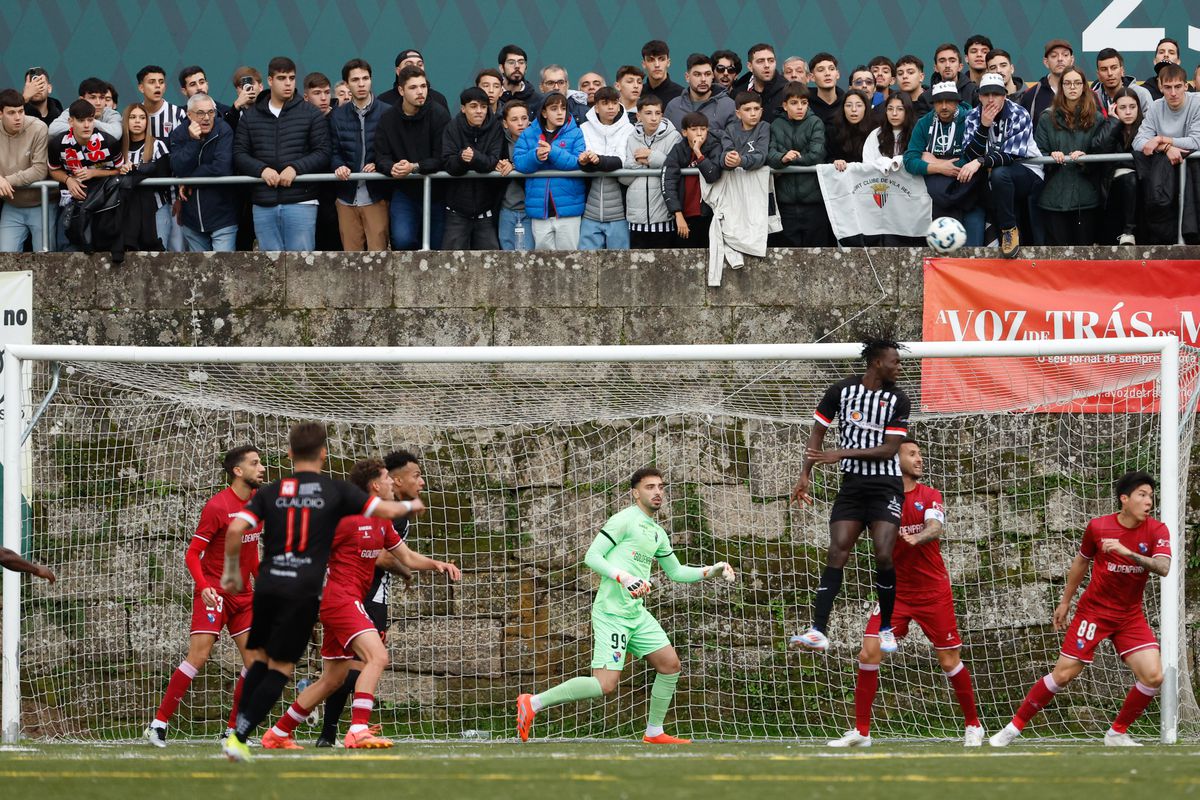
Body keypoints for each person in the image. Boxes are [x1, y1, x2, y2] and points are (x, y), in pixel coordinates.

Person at [216, 422, 425, 762]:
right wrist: (410, 505)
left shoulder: (271, 492)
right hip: (309, 591)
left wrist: (230, 573)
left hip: (271, 587)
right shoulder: (336, 492)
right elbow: (383, 511)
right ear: (324, 454)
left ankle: (260, 733)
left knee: (271, 667)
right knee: (299, 667)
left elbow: (237, 527)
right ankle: (349, 729)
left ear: (289, 454)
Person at [516, 467, 734, 745]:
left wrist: (711, 571)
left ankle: (654, 732)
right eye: (650, 487)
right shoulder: (624, 520)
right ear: (635, 493)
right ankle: (533, 702)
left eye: (660, 487)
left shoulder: (657, 533)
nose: (657, 492)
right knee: (605, 684)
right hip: (612, 612)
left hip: (636, 613)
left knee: (670, 665)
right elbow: (592, 557)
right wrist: (625, 576)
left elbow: (677, 572)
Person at [263, 457, 460, 750]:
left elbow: (405, 557)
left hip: (345, 602)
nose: (393, 483)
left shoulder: (381, 520)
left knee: (332, 679)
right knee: (377, 657)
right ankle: (357, 730)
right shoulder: (346, 519)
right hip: (340, 600)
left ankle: (278, 733)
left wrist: (437, 564)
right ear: (374, 485)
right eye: (387, 478)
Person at [991, 472, 1170, 748]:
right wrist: (1064, 602)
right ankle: (1013, 728)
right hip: (1094, 614)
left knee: (1154, 675)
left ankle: (1116, 733)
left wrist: (1125, 552)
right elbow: (1081, 562)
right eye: (1142, 495)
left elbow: (1163, 568)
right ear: (1124, 499)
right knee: (1062, 675)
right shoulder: (1098, 527)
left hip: (1129, 616)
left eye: (1150, 495)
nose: (1149, 501)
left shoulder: (1158, 530)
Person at [827, 438, 983, 749]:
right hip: (894, 593)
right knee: (868, 653)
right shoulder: (879, 499)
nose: (919, 459)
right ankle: (862, 732)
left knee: (949, 660)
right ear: (893, 460)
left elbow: (936, 526)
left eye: (919, 454)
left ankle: (973, 725)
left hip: (932, 591)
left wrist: (918, 538)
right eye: (912, 453)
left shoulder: (929, 495)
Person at [790, 339, 911, 654]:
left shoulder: (899, 400)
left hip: (886, 487)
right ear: (876, 363)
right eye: (895, 361)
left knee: (883, 553)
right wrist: (806, 473)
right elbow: (818, 432)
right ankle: (818, 630)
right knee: (836, 552)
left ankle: (886, 627)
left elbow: (888, 449)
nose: (899, 366)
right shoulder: (841, 391)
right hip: (853, 486)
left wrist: (841, 452)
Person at [314, 450, 442, 746]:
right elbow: (383, 557)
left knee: (349, 667)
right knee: (361, 664)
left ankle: (329, 730)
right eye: (416, 476)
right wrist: (406, 571)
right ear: (393, 481)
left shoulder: (394, 512)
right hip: (364, 596)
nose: (421, 482)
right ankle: (344, 728)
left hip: (362, 595)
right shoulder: (382, 512)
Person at [144, 446, 265, 747]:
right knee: (198, 657)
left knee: (254, 662)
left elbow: (251, 555)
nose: (262, 467)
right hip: (215, 593)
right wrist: (203, 587)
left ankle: (233, 731)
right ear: (238, 471)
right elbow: (193, 553)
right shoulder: (217, 506)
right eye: (255, 463)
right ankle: (158, 725)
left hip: (244, 597)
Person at [233, 56, 331, 251]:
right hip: (263, 201)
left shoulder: (310, 113)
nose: (288, 83)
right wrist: (262, 170)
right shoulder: (251, 116)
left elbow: (323, 152)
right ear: (270, 81)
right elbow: (239, 154)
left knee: (302, 266)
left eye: (292, 78)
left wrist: (296, 168)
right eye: (282, 78)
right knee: (270, 267)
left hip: (302, 200)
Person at [963, 72, 1045, 258]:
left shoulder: (1019, 113)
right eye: (986, 94)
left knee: (1001, 173)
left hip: (1027, 171)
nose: (991, 99)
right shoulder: (972, 116)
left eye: (996, 94)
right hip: (993, 173)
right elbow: (970, 154)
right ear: (980, 96)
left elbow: (1010, 155)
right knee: (979, 178)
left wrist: (980, 161)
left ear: (1005, 95)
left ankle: (1008, 230)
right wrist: (984, 127)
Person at [374, 65, 451, 251]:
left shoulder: (439, 114)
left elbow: (443, 157)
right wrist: (391, 167)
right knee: (402, 241)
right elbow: (380, 155)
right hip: (404, 192)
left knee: (437, 249)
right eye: (413, 87)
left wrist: (415, 167)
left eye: (423, 86)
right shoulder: (388, 118)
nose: (420, 92)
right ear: (401, 90)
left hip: (436, 193)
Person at [903, 82, 984, 246]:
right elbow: (910, 160)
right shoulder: (924, 123)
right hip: (939, 199)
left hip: (969, 192)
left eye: (949, 101)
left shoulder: (970, 118)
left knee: (973, 251)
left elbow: (975, 156)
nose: (944, 106)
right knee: (946, 251)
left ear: (957, 102)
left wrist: (935, 161)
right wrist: (940, 168)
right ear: (933, 104)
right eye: (939, 102)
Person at [1034, 65, 1104, 245]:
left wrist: (1086, 157)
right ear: (1061, 87)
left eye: (1077, 83)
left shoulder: (1097, 119)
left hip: (1086, 198)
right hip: (1053, 198)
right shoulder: (1046, 118)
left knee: (1084, 256)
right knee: (1057, 258)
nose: (1072, 87)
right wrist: (1051, 156)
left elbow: (1102, 156)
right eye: (1067, 83)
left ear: (1084, 87)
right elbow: (1037, 153)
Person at [47, 99, 124, 254]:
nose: (87, 125)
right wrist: (68, 180)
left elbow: (120, 170)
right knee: (66, 247)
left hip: (103, 201)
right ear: (71, 122)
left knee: (101, 247)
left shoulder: (109, 142)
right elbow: (53, 170)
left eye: (90, 120)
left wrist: (94, 172)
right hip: (71, 200)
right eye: (81, 121)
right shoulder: (57, 144)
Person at [329, 59, 390, 252]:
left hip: (376, 196)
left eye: (365, 78)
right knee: (350, 260)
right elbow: (332, 150)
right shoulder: (337, 115)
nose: (361, 84)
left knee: (378, 257)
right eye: (355, 80)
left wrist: (379, 164)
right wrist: (337, 164)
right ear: (346, 84)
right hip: (346, 197)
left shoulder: (387, 112)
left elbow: (393, 151)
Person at [513, 92, 586, 250]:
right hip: (539, 209)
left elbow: (578, 161)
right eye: (554, 108)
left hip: (569, 209)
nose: (560, 112)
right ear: (544, 112)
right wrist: (536, 156)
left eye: (563, 108)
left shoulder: (576, 132)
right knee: (543, 262)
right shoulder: (528, 133)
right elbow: (518, 162)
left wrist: (552, 151)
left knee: (571, 261)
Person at [170, 93, 238, 252]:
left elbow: (221, 168)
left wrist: (189, 180)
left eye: (211, 112)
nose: (207, 118)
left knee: (223, 271)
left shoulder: (223, 129)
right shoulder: (180, 132)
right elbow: (177, 167)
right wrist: (193, 141)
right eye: (200, 113)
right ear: (189, 114)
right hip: (191, 219)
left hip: (223, 217)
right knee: (201, 271)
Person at [767, 82, 831, 247]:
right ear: (785, 105)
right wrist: (782, 158)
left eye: (804, 103)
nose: (800, 107)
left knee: (817, 255)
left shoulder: (815, 122)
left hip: (814, 203)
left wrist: (790, 160)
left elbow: (817, 155)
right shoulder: (775, 125)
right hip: (785, 205)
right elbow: (770, 155)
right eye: (794, 103)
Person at [441, 87, 504, 250]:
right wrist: (462, 158)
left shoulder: (496, 128)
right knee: (451, 264)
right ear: (463, 108)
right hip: (456, 210)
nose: (479, 111)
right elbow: (448, 164)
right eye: (473, 106)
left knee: (492, 263)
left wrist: (474, 157)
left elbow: (492, 162)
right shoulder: (452, 127)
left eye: (483, 107)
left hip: (486, 210)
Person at [136, 65, 187, 252]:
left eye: (161, 82)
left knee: (176, 251)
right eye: (151, 82)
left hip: (174, 197)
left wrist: (181, 194)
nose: (157, 86)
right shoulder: (134, 116)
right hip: (142, 197)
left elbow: (186, 154)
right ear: (141, 87)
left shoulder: (178, 114)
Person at [578, 86, 634, 250]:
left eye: (615, 103)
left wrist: (596, 159)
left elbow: (621, 161)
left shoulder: (629, 128)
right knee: (585, 263)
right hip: (589, 211)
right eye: (605, 103)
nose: (611, 107)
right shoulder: (584, 128)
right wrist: (590, 161)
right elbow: (584, 163)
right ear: (596, 106)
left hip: (620, 212)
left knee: (620, 265)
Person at [621, 94, 681, 248]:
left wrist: (650, 156)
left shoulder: (673, 136)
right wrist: (642, 163)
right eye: (648, 113)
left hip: (663, 217)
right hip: (636, 220)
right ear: (638, 116)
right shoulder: (631, 138)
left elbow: (674, 166)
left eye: (657, 113)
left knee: (664, 267)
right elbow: (625, 176)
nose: (653, 118)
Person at [1091, 87, 1144, 245]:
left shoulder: (1146, 127)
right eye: (1122, 107)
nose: (1128, 112)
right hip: (1111, 193)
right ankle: (1126, 232)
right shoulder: (1109, 125)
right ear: (1114, 108)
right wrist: (1113, 121)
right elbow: (1098, 149)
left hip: (1142, 192)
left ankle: (1130, 232)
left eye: (1132, 107)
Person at [662, 111, 722, 248]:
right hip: (684, 215)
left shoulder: (714, 147)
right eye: (694, 129)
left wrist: (698, 152)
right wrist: (678, 214)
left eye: (703, 129)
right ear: (684, 132)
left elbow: (712, 175)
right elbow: (668, 181)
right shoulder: (678, 149)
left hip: (710, 214)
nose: (699, 133)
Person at [0, 88, 49, 252]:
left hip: (42, 203)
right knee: (6, 259)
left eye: (21, 111)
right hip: (12, 204)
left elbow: (40, 169)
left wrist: (6, 180)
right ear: (0, 114)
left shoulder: (38, 128)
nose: (18, 117)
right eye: (11, 113)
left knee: (45, 257)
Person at [118, 102, 171, 251]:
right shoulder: (118, 148)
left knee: (158, 257)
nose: (137, 121)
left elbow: (164, 179)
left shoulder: (157, 145)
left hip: (157, 207)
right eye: (133, 117)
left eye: (142, 118)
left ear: (147, 121)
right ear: (126, 121)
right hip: (126, 208)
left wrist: (138, 169)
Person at [664, 53, 736, 134]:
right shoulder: (673, 107)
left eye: (707, 74)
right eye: (697, 74)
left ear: (712, 76)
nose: (703, 79)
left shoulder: (729, 106)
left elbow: (734, 141)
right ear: (687, 77)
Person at [497, 100, 534, 250]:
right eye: (514, 119)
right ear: (505, 123)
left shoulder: (538, 140)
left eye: (524, 118)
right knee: (506, 257)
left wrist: (514, 165)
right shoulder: (498, 142)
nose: (520, 123)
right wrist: (497, 164)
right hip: (506, 209)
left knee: (530, 256)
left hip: (531, 210)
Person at [48, 77, 122, 140]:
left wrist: (91, 123)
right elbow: (53, 130)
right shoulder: (72, 111)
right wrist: (82, 128)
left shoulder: (111, 113)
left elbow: (116, 134)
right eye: (93, 97)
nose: (98, 103)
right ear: (81, 99)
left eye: (102, 97)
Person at [1021, 39, 1075, 123]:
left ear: (1071, 60)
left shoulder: (1087, 94)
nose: (1060, 59)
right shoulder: (1031, 96)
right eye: (1054, 56)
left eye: (1065, 55)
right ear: (1046, 62)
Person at [379, 49, 449, 110]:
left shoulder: (438, 99)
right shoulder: (383, 101)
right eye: (409, 64)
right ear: (398, 71)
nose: (415, 68)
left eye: (420, 64)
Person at [863, 91, 916, 171]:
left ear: (908, 111)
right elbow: (867, 164)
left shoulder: (917, 133)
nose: (894, 113)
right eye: (890, 109)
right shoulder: (876, 134)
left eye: (900, 109)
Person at [1093, 49, 1152, 118]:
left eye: (1114, 68)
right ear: (1098, 75)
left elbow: (1152, 124)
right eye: (1104, 69)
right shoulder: (1092, 99)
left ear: (1122, 71)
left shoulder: (1141, 94)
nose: (1110, 73)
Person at [732, 43, 785, 120]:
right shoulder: (737, 93)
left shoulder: (787, 91)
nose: (767, 65)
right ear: (750, 66)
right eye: (760, 61)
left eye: (771, 61)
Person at [827, 90, 873, 170]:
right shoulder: (833, 130)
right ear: (843, 108)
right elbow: (827, 157)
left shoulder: (875, 131)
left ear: (866, 108)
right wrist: (835, 161)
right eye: (848, 105)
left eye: (859, 105)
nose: (854, 109)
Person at [497, 45, 542, 112]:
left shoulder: (538, 101)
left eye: (521, 62)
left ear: (526, 68)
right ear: (501, 68)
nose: (517, 66)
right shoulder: (494, 97)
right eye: (511, 62)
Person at [933, 43, 978, 107]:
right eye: (942, 61)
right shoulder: (926, 97)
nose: (947, 65)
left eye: (952, 61)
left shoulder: (973, 91)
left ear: (960, 67)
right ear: (936, 68)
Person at [808, 52, 845, 127]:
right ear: (812, 77)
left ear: (837, 74)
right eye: (821, 70)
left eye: (831, 69)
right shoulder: (805, 105)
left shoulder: (846, 103)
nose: (827, 73)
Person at [642, 40, 684, 105]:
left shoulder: (681, 95)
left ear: (668, 62)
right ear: (644, 64)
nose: (657, 65)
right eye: (651, 60)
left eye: (661, 59)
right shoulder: (638, 94)